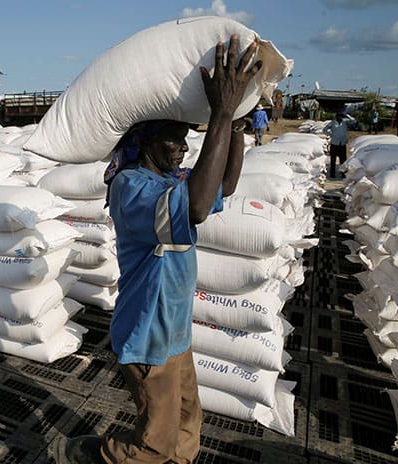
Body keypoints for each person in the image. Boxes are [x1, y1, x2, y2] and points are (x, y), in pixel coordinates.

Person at [52, 34, 261, 464]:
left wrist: (237, 122)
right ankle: (93, 456)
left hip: (174, 335)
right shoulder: (131, 188)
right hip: (147, 335)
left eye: (185, 139)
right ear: (145, 141)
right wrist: (221, 111)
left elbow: (223, 185)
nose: (183, 148)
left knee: (188, 424)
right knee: (155, 442)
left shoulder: (170, 180)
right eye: (173, 139)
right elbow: (200, 208)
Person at [324, 112, 352, 179]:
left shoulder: (345, 122)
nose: (340, 118)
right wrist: (331, 134)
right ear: (336, 117)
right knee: (333, 159)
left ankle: (343, 173)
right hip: (334, 143)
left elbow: (353, 121)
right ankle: (332, 173)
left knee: (343, 160)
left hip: (342, 143)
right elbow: (324, 129)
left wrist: (347, 116)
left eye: (341, 117)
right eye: (339, 117)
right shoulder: (332, 123)